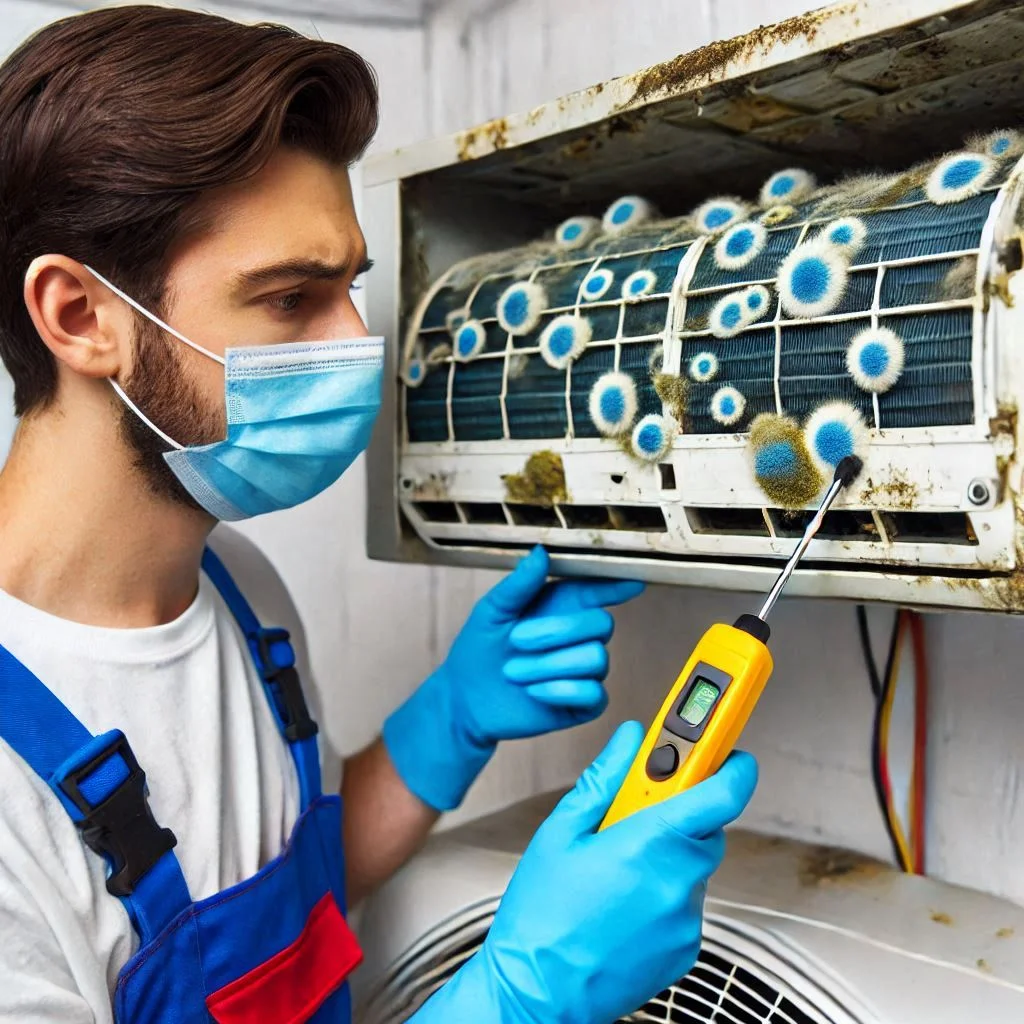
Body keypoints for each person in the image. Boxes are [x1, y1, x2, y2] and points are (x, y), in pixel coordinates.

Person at [0, 6, 758, 1023]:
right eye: (288, 298)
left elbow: (286, 899)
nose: (357, 343)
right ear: (81, 317)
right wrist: (516, 997)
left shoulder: (237, 587)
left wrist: (447, 721)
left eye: (349, 287)